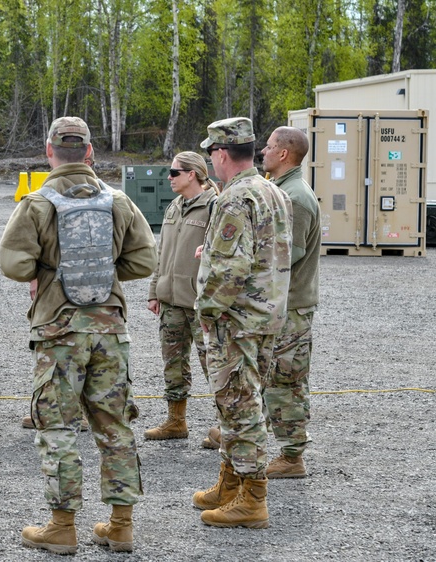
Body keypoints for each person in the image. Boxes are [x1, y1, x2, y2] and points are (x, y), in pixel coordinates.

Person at [0, 117, 157, 554]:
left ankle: (62, 526)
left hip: (59, 328)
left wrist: (52, 274)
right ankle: (121, 525)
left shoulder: (37, 203)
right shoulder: (118, 200)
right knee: (115, 425)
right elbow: (144, 260)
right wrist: (104, 272)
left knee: (58, 426)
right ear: (89, 152)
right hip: (110, 328)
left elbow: (13, 265)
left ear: (49, 151)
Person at [192, 117, 292, 529]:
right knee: (238, 403)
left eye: (210, 153)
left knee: (239, 405)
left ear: (220, 153)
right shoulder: (271, 189)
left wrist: (207, 311)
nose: (210, 160)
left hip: (237, 320)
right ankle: (230, 483)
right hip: (265, 315)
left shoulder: (235, 198)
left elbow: (229, 268)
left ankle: (252, 497)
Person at [144, 152, 218, 441]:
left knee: (214, 366)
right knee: (173, 364)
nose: (169, 177)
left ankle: (227, 427)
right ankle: (176, 421)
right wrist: (155, 290)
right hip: (170, 301)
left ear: (193, 174)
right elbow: (162, 253)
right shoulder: (174, 206)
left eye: (175, 172)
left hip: (201, 303)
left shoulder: (214, 205)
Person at [260, 126, 320, 479]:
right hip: (279, 306)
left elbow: (288, 256)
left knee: (287, 379)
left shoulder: (294, 197)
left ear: (284, 154)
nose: (262, 152)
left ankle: (291, 455)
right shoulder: (283, 190)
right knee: (274, 375)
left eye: (268, 147)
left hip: (291, 307)